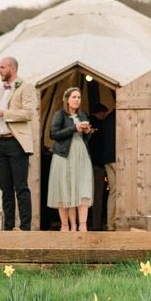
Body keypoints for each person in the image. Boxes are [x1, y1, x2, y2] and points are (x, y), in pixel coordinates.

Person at [0, 56, 37, 231]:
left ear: (12, 69)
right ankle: (7, 228)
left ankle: (25, 227)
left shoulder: (26, 87)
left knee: (20, 187)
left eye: (2, 67)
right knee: (5, 188)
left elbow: (28, 113)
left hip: (16, 142)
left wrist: (4, 113)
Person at [47, 87, 94, 232]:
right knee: (64, 189)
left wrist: (87, 132)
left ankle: (82, 225)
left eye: (79, 97)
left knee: (82, 188)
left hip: (81, 154)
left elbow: (87, 138)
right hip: (64, 155)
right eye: (74, 97)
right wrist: (74, 128)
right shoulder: (60, 115)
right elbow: (54, 134)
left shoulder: (83, 115)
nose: (77, 100)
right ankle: (66, 225)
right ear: (67, 99)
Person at [89, 104, 117, 231]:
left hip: (102, 161)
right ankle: (101, 224)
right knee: (103, 194)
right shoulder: (111, 119)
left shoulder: (105, 121)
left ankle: (107, 224)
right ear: (99, 113)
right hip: (99, 164)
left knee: (111, 192)